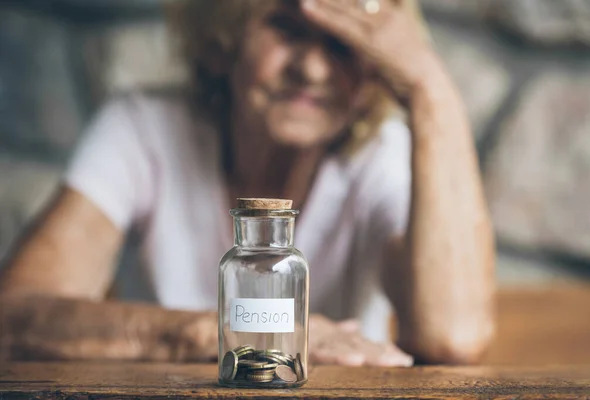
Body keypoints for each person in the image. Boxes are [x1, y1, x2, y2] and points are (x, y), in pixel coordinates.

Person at [0, 0, 494, 366]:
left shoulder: (378, 156)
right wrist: (212, 336)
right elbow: (12, 318)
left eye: (344, 44)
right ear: (223, 41)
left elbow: (454, 335)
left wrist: (427, 85)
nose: (312, 68)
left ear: (372, 73)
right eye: (285, 27)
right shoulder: (142, 130)